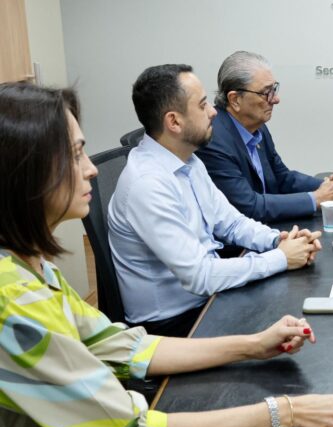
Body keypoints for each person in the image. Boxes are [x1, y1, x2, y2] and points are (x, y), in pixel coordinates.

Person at [0, 82, 333, 427]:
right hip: (177, 315)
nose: (91, 169)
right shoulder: (13, 300)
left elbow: (126, 348)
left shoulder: (34, 270)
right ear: (23, 171)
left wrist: (253, 345)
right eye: (76, 153)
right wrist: (289, 413)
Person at [109, 64, 321, 337]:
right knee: (292, 325)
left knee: (301, 308)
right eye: (203, 105)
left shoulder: (188, 159)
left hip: (209, 299)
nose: (213, 112)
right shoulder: (148, 185)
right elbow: (201, 276)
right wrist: (280, 258)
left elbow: (231, 223)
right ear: (174, 122)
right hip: (176, 325)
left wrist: (276, 240)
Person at [196, 51, 333, 223]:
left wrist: (328, 186)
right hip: (237, 246)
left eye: (274, 90)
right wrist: (317, 198)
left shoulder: (259, 128)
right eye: (266, 93)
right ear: (235, 100)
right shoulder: (214, 139)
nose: (276, 99)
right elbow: (248, 206)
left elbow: (282, 178)